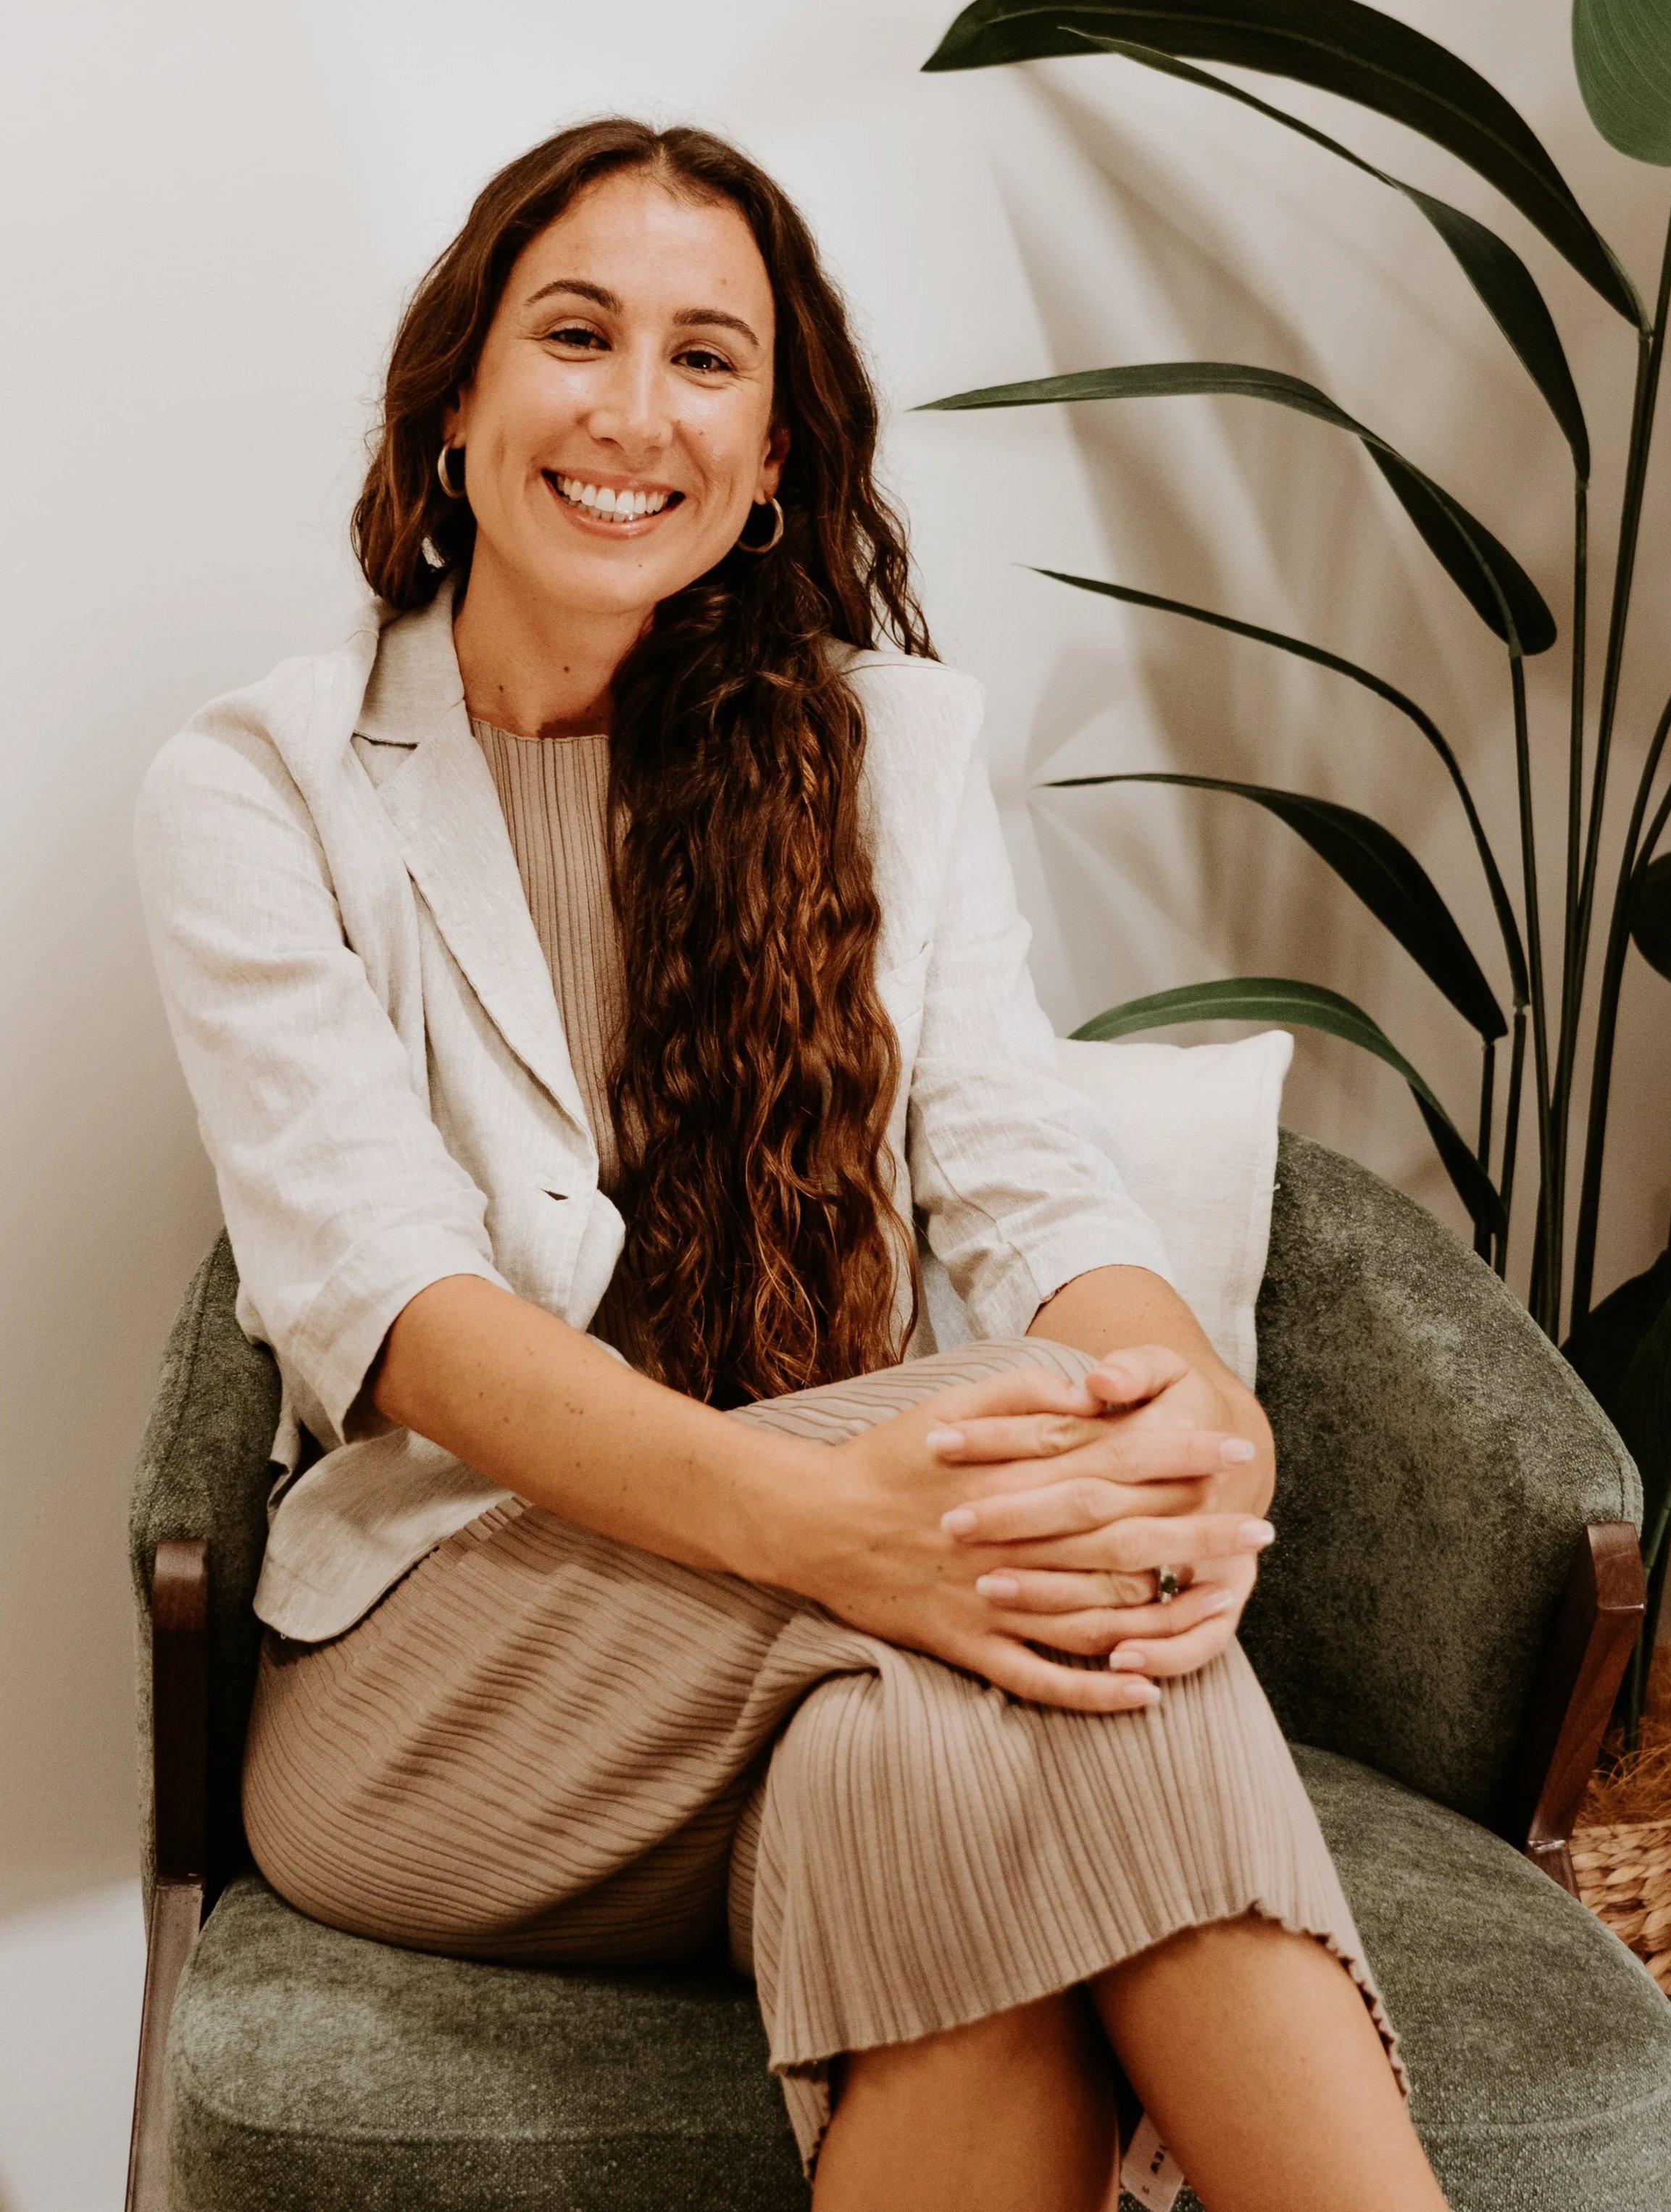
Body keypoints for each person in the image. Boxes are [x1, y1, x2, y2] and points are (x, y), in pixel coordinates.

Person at [136, 117, 1446, 2212]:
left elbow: (1021, 1175)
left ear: (767, 462)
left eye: (706, 359)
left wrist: (1207, 1433)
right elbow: (398, 1313)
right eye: (577, 335)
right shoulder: (262, 787)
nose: (633, 410)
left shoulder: (890, 752)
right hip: (449, 1676)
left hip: (869, 1642)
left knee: (950, 1736)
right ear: (456, 400)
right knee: (1025, 1514)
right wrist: (846, 1528)